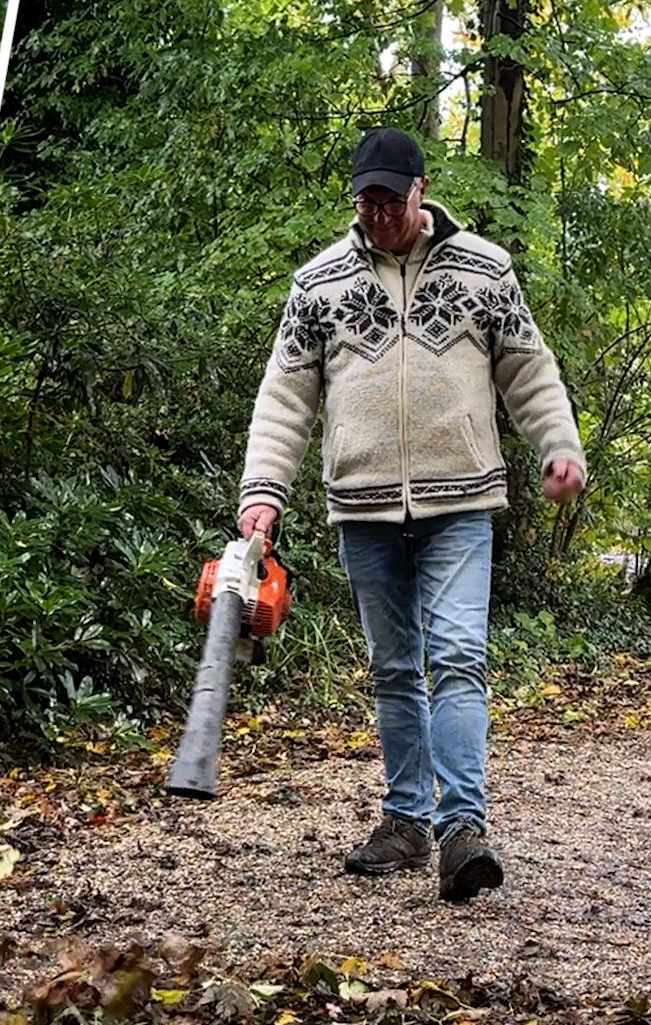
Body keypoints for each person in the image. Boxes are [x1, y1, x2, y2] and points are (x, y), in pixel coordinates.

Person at [237, 127, 586, 902]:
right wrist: (263, 489)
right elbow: (286, 397)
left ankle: (463, 829)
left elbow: (528, 369)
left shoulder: (485, 271)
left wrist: (558, 444)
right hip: (361, 509)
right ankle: (404, 820)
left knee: (458, 656)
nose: (380, 212)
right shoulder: (317, 286)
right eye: (368, 199)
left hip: (460, 499)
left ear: (423, 190)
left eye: (393, 198)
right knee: (394, 669)